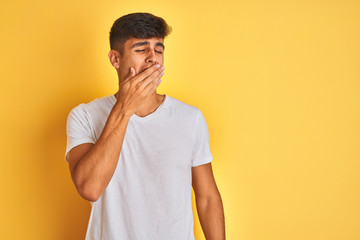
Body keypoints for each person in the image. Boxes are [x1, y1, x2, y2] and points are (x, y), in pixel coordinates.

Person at [65, 12, 225, 240]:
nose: (153, 58)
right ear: (115, 59)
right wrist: (124, 108)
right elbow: (90, 188)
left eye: (158, 49)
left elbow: (208, 197)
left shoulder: (190, 117)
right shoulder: (84, 116)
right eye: (141, 49)